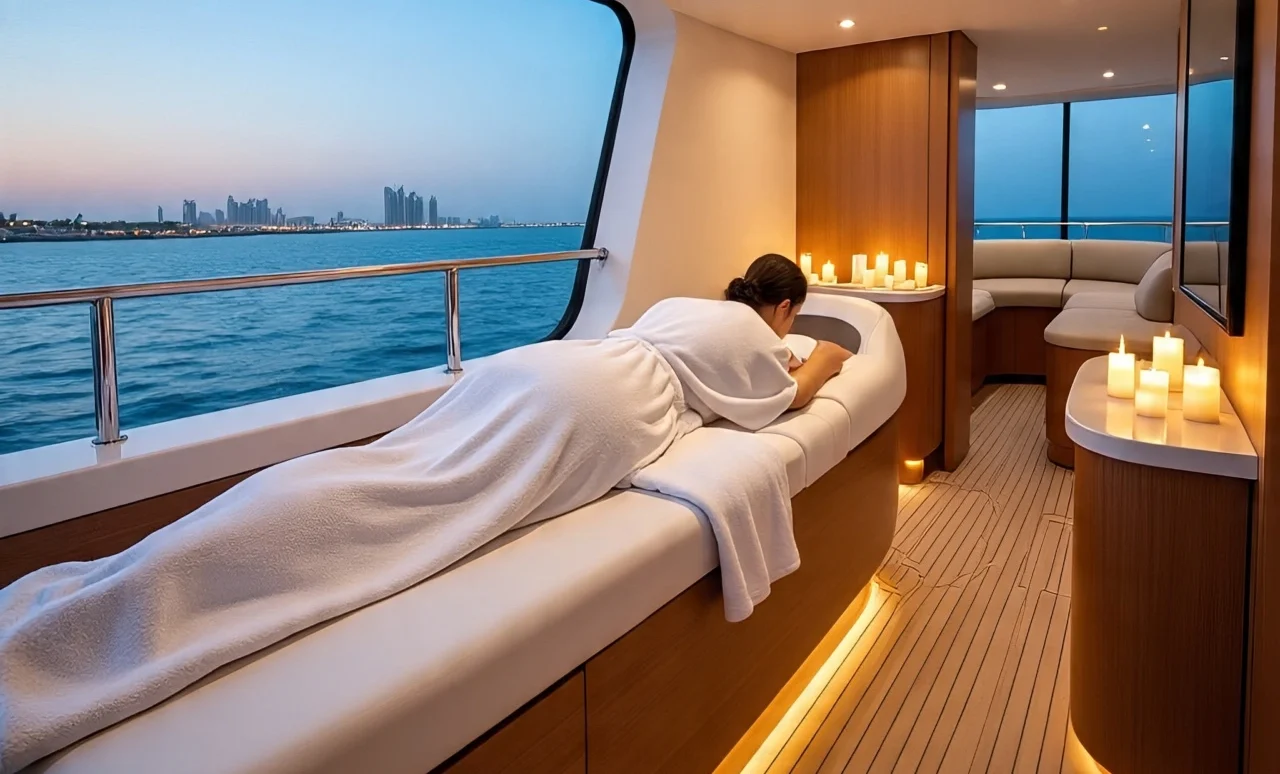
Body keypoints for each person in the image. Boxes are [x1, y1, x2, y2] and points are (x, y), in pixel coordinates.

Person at [0, 254, 854, 773]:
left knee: (377, 475)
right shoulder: (752, 334)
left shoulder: (684, 307)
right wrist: (821, 352)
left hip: (540, 369)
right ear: (780, 306)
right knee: (406, 521)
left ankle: (119, 590)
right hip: (588, 415)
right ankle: (135, 612)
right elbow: (786, 399)